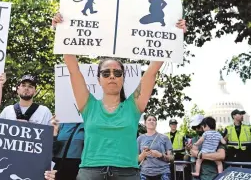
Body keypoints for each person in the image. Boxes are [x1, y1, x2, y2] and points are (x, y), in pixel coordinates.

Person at [52, 13, 186, 179]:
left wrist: (174, 35)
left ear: (123, 78)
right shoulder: (89, 105)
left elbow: (151, 72)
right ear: (99, 79)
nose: (112, 76)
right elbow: (73, 69)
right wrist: (62, 31)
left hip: (127, 173)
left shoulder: (133, 106)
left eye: (117, 72)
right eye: (106, 73)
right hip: (90, 173)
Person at [186, 114, 226, 180]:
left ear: (205, 125)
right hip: (196, 177)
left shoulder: (216, 137)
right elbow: (188, 157)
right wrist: (188, 150)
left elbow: (221, 156)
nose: (196, 129)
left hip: (212, 176)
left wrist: (199, 155)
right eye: (194, 127)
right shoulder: (193, 140)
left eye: (198, 126)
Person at [138, 115, 174, 180]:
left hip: (163, 172)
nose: (152, 121)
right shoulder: (140, 139)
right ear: (145, 123)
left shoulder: (164, 138)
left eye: (154, 120)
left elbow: (171, 158)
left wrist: (160, 155)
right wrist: (143, 155)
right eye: (149, 120)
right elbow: (135, 159)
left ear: (156, 123)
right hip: (145, 173)